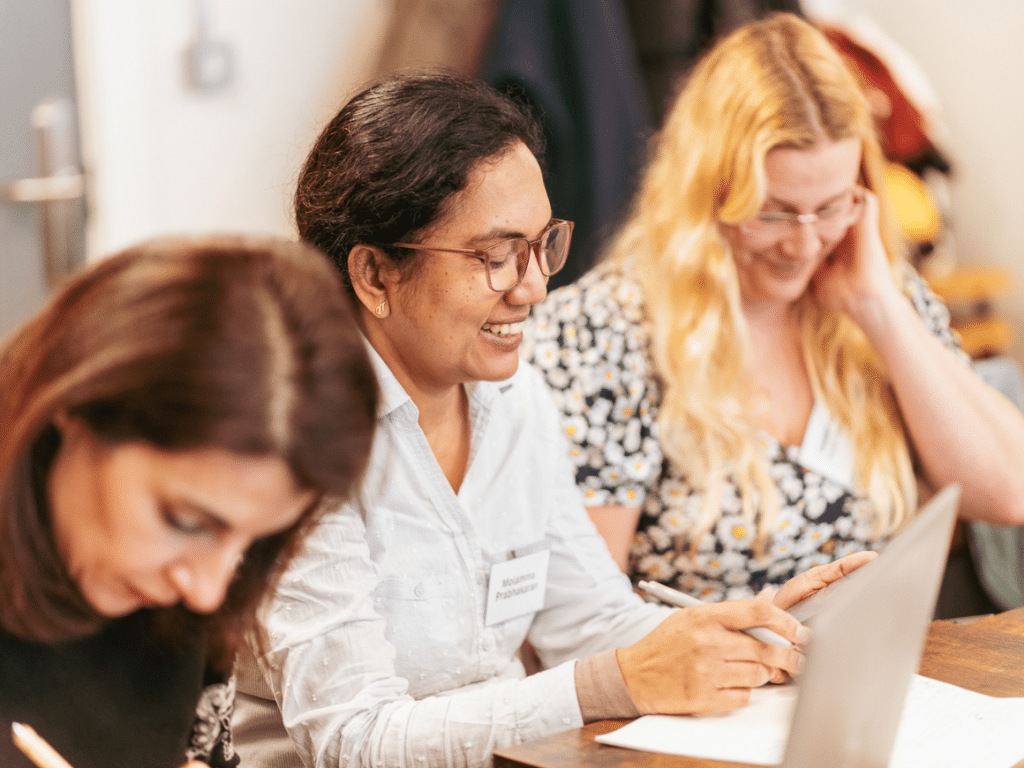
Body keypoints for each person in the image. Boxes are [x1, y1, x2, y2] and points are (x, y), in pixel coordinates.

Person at [231, 71, 873, 768]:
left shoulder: (513, 397)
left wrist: (741, 635)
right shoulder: (294, 436)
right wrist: (610, 682)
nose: (536, 286)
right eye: (497, 258)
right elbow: (355, 740)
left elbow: (591, 620)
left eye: (542, 246)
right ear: (375, 275)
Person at [523, 12, 1024, 602]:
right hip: (708, 688)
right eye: (775, 211)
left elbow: (1008, 492)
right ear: (708, 191)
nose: (806, 244)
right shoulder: (607, 332)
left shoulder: (868, 293)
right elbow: (583, 618)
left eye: (833, 206)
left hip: (866, 672)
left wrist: (881, 308)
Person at [0, 235, 378, 768]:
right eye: (184, 521)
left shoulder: (176, 602)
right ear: (78, 408)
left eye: (253, 544)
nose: (206, 591)